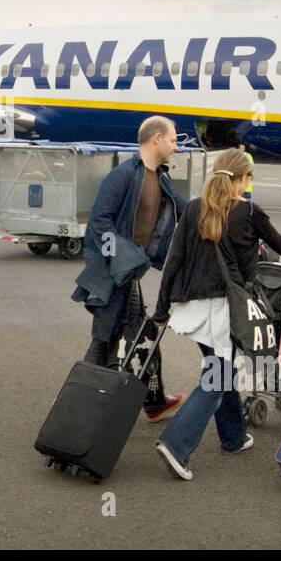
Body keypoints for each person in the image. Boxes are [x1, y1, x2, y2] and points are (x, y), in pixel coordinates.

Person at [150, 148, 281, 480]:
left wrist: (162, 307)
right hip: (225, 309)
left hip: (191, 308)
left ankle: (234, 437)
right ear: (240, 179)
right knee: (218, 378)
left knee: (218, 369)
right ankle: (176, 444)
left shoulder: (195, 208)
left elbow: (174, 261)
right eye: (247, 177)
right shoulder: (248, 212)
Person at [73, 116, 186, 423]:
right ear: (157, 139)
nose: (177, 146)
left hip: (131, 273)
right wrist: (121, 259)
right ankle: (76, 412)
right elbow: (100, 225)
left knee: (142, 337)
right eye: (174, 139)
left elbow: (188, 210)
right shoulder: (123, 175)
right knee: (104, 341)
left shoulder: (160, 178)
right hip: (113, 275)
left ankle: (154, 403)